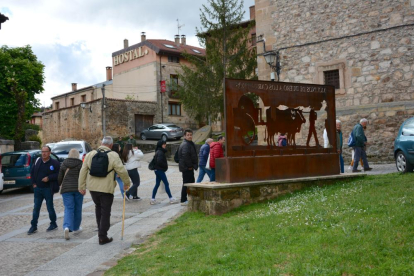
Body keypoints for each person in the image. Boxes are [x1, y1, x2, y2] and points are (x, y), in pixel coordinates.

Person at [79, 136, 131, 245]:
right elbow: (122, 171)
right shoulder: (113, 155)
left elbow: (83, 171)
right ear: (111, 145)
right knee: (105, 211)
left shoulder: (90, 155)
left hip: (93, 188)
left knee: (98, 208)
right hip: (106, 188)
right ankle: (102, 236)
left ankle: (101, 231)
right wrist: (127, 183)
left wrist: (81, 186)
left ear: (101, 143)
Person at [27, 146, 61, 235]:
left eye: (45, 152)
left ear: (50, 152)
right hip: (38, 189)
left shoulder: (55, 163)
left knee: (50, 207)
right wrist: (33, 183)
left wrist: (49, 178)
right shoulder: (38, 161)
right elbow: (32, 172)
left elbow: (59, 175)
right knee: (36, 208)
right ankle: (33, 226)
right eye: (42, 151)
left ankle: (53, 223)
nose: (43, 153)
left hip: (48, 189)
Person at [58, 148, 83, 240]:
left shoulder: (64, 163)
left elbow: (59, 177)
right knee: (78, 208)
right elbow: (83, 176)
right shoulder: (80, 164)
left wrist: (59, 184)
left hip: (66, 189)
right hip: (78, 189)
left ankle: (67, 227)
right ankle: (76, 227)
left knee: (68, 208)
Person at [150, 140, 177, 205]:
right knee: (166, 183)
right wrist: (165, 166)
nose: (165, 145)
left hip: (157, 170)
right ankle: (171, 198)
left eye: (165, 144)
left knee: (157, 184)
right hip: (160, 170)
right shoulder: (160, 152)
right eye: (163, 144)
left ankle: (153, 199)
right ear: (160, 145)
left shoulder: (158, 151)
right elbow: (159, 161)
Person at [178, 129, 198, 206]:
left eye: (190, 134)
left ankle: (189, 198)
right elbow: (185, 156)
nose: (190, 136)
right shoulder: (186, 144)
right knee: (186, 184)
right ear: (184, 136)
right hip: (187, 168)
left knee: (190, 183)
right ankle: (183, 200)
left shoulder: (189, 143)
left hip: (188, 167)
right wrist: (190, 166)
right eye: (188, 135)